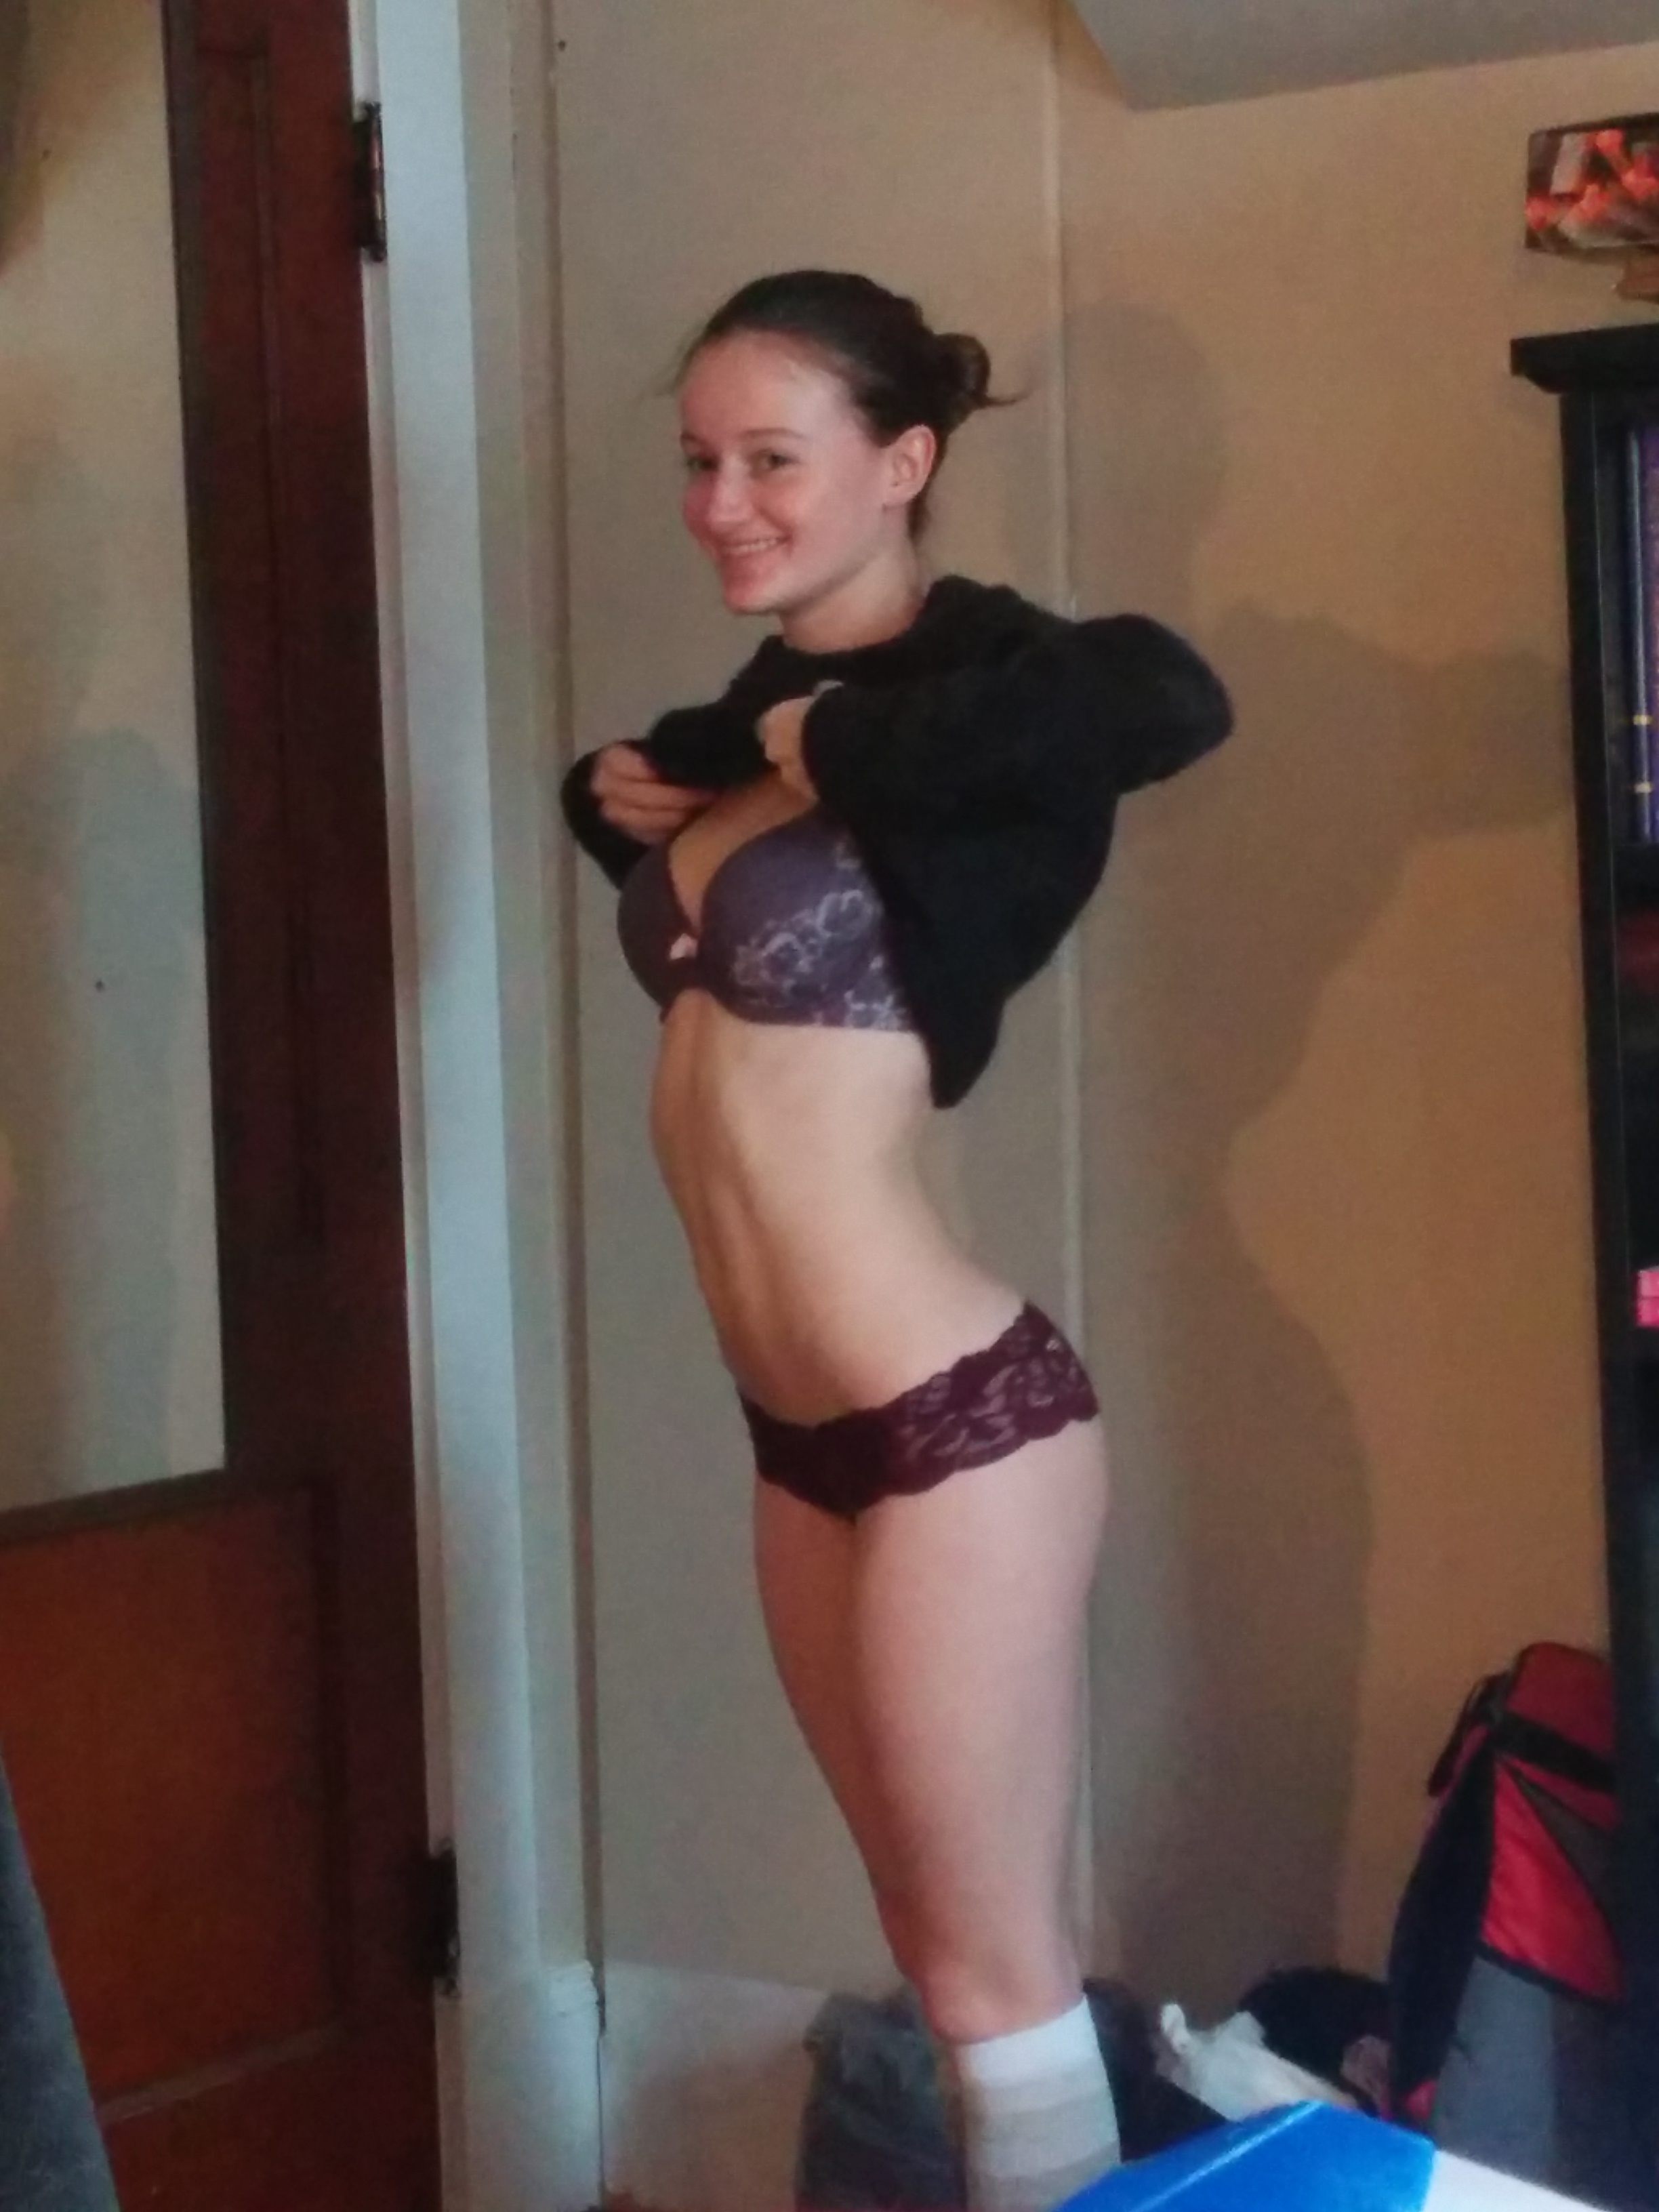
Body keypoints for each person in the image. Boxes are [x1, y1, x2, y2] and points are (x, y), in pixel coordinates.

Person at [562, 270, 1231, 2212]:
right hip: (800, 1442)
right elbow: (700, 830)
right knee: (937, 1964)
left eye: (773, 458)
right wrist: (605, 800)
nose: (722, 504)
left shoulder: (992, 679)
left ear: (903, 460)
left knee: (991, 1978)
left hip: (957, 1426)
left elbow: (1171, 700)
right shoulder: (758, 711)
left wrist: (829, 743)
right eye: (700, 462)